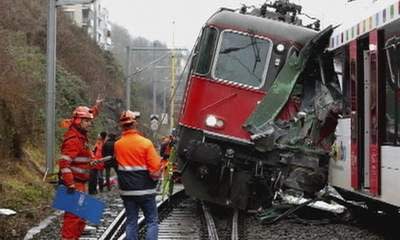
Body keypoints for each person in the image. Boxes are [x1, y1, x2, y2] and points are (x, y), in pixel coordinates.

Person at [114, 110, 163, 240]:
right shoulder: (146, 143)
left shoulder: (117, 145)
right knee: (152, 221)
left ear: (122, 126)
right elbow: (155, 169)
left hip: (127, 191)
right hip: (145, 191)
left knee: (131, 222)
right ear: (135, 124)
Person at [58, 99, 102, 240]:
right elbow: (64, 164)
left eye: (90, 121)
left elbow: (78, 161)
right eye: (87, 121)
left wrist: (96, 107)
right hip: (75, 184)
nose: (90, 123)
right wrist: (70, 184)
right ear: (78, 121)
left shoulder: (80, 136)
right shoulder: (73, 139)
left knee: (81, 217)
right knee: (73, 218)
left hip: (80, 183)